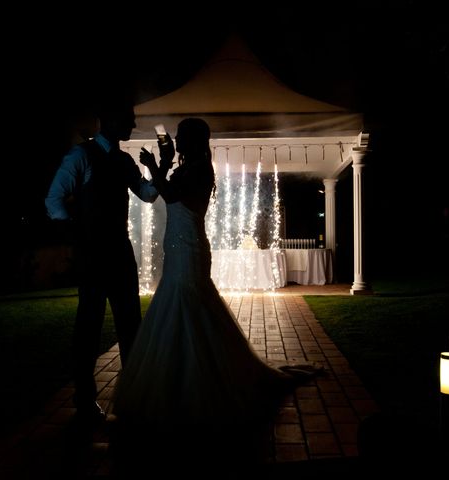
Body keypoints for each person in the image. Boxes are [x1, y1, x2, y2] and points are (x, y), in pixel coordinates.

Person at [109, 118, 320, 472]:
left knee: (190, 308)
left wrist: (151, 165)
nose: (176, 140)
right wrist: (161, 162)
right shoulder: (190, 166)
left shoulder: (199, 169)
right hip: (178, 248)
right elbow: (160, 194)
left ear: (192, 141)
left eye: (180, 137)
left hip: (189, 249)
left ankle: (198, 390)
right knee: (180, 310)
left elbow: (171, 194)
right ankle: (178, 385)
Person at [45, 98, 169, 424]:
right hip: (93, 254)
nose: (131, 125)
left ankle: (133, 396)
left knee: (131, 324)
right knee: (89, 325)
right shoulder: (80, 155)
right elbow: (53, 199)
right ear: (106, 120)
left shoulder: (125, 160)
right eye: (127, 119)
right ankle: (85, 399)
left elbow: (147, 194)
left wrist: (162, 168)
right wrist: (76, 234)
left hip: (121, 252)